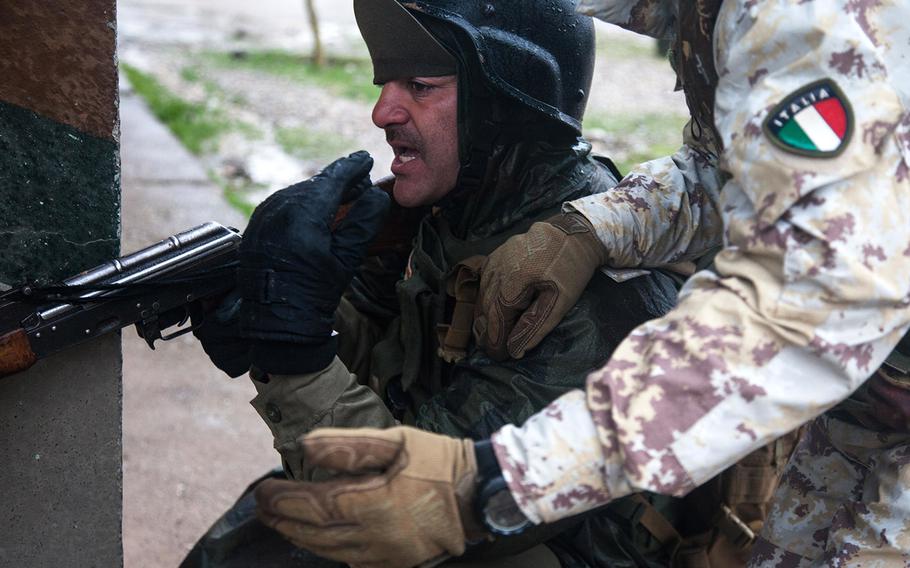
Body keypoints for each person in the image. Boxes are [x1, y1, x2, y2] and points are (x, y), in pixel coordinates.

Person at [252, 0, 910, 567]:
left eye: (422, 83)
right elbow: (734, 165)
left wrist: (496, 479)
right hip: (863, 409)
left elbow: (809, 299)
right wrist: (598, 225)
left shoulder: (803, 21)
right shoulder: (717, 15)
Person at [188, 0, 697, 566]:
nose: (382, 112)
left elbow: (401, 512)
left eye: (420, 85)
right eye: (387, 83)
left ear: (506, 103)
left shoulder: (591, 296)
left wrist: (295, 357)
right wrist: (284, 311)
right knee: (262, 527)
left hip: (519, 535)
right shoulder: (464, 211)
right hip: (450, 492)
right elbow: (401, 367)